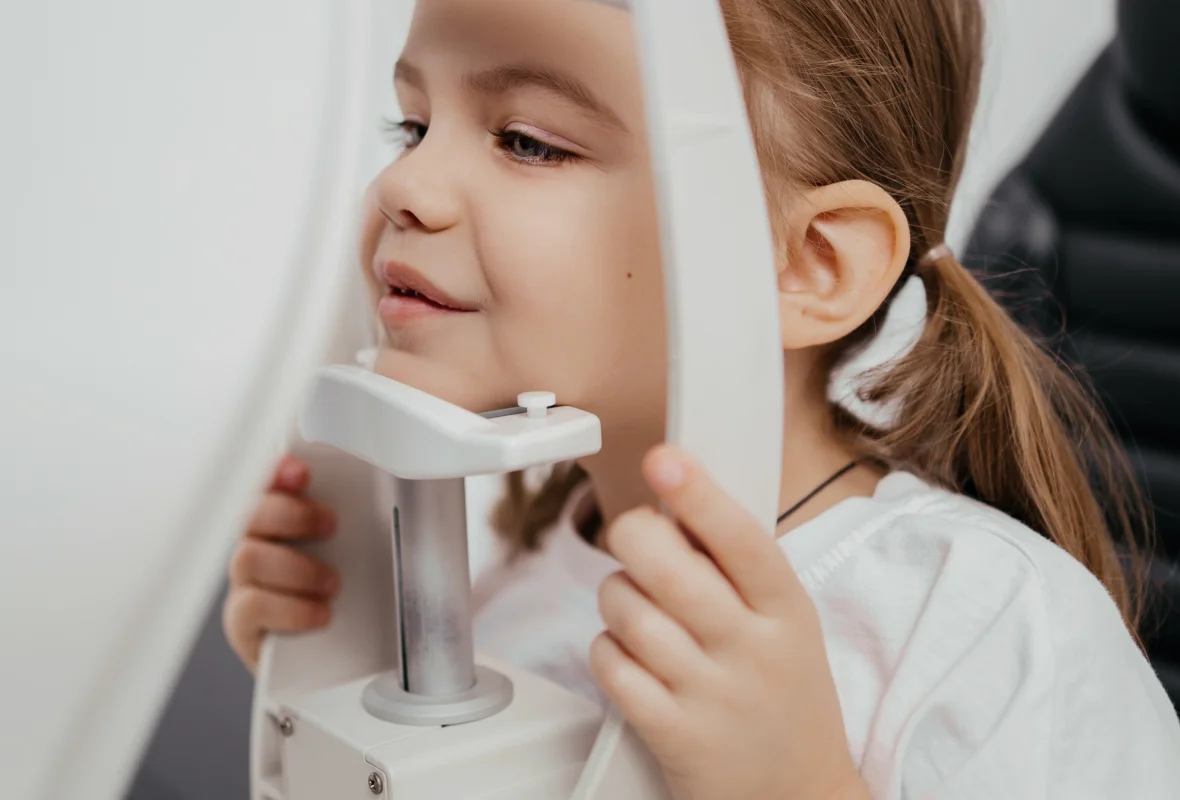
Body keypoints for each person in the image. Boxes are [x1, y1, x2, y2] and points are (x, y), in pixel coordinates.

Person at [222, 0, 1180, 797]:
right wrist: (335, 679)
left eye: (528, 141)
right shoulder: (510, 563)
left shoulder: (981, 629)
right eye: (412, 123)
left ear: (808, 264)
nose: (405, 183)